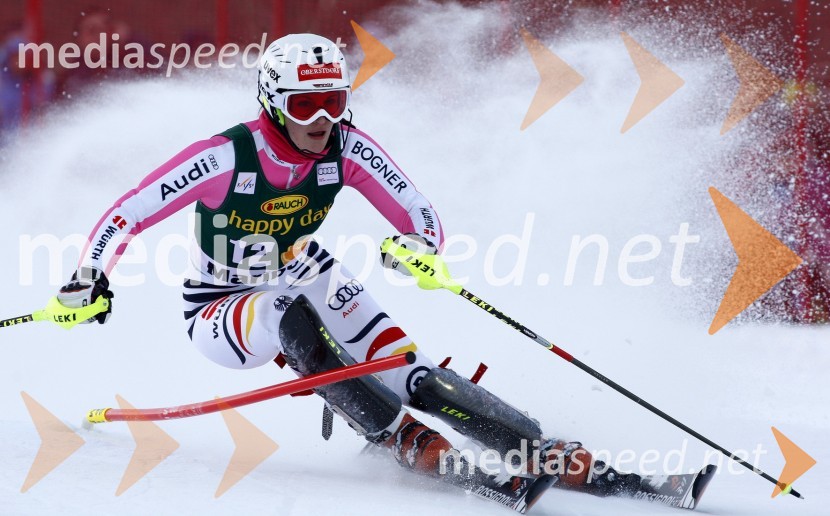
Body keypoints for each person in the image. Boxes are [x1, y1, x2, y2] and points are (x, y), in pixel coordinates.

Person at [54, 33, 641, 508]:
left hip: (303, 268)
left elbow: (417, 210)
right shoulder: (225, 157)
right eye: (304, 105)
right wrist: (88, 276)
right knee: (289, 312)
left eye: (333, 102)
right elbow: (130, 210)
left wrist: (419, 247)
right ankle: (397, 437)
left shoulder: (348, 148)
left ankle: (537, 449)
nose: (321, 119)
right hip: (220, 302)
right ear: (271, 104)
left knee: (410, 370)